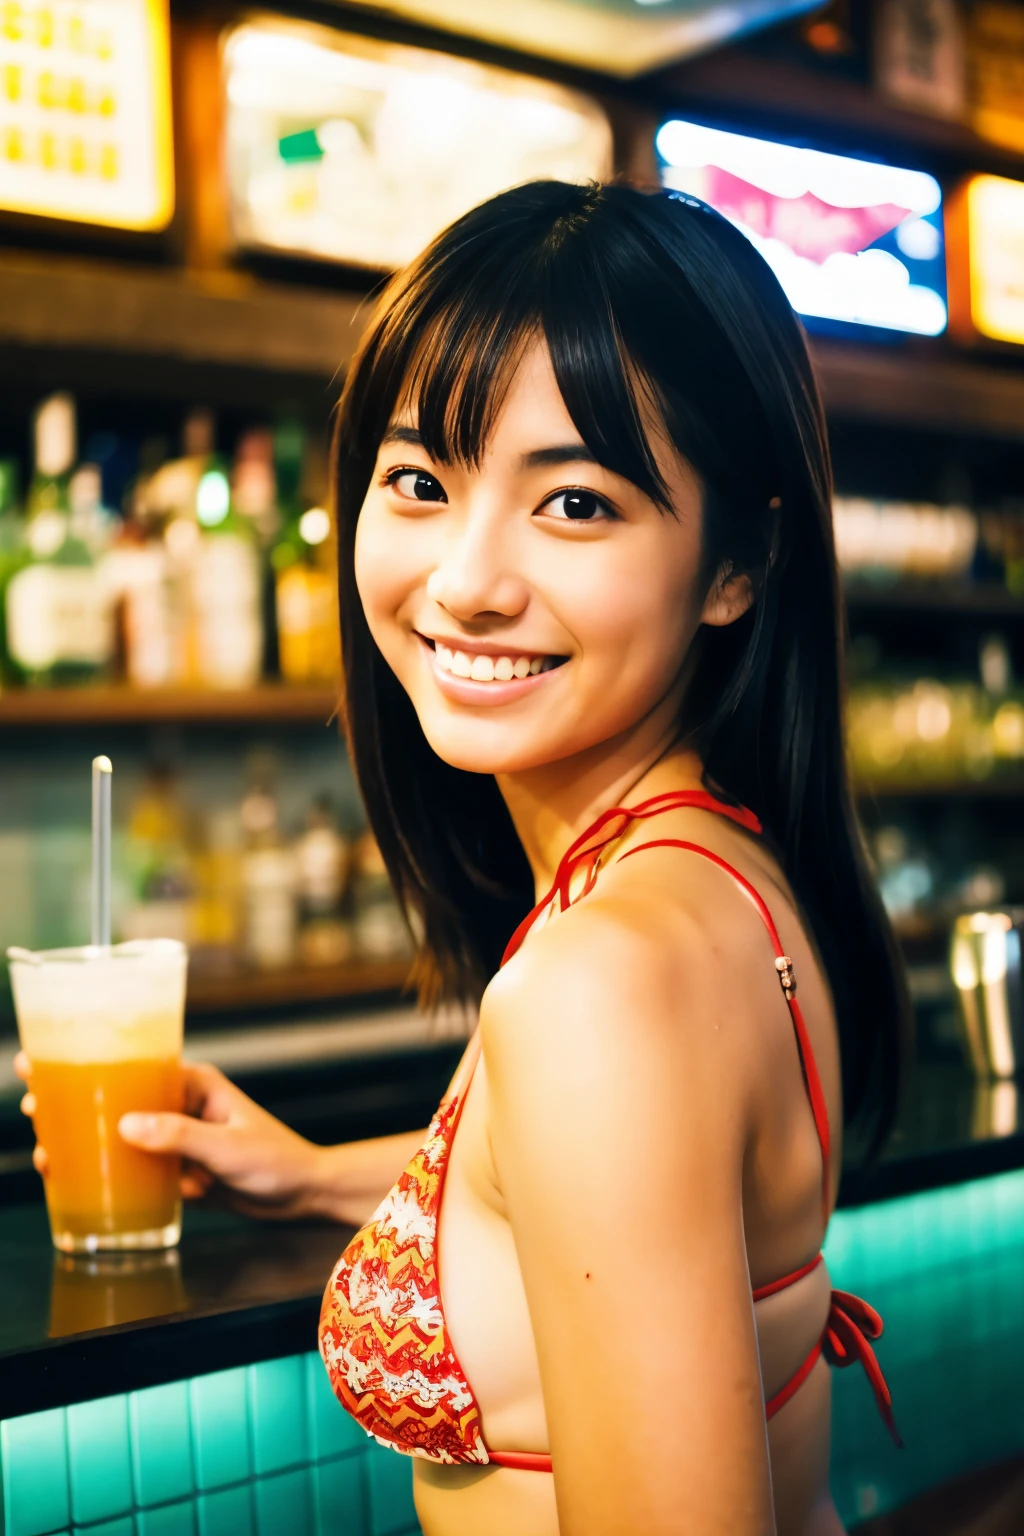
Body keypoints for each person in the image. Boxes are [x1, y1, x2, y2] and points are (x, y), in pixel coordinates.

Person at [17, 181, 910, 1535]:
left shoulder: (596, 988)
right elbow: (622, 1213)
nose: (469, 580)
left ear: (737, 563)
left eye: (575, 503)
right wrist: (313, 1173)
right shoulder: (721, 873)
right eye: (421, 482)